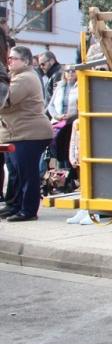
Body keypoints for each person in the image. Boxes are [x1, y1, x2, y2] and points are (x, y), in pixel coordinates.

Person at [0, 46, 54, 222]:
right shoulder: (17, 77)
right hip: (16, 133)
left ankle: (28, 210)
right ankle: (14, 205)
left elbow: (6, 101)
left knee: (27, 174)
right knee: (15, 173)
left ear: (26, 61)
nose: (9, 62)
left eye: (13, 59)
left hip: (30, 133)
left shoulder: (25, 78)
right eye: (8, 58)